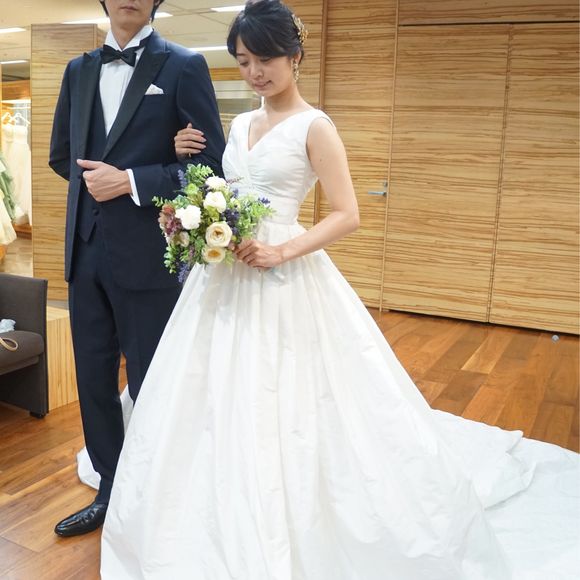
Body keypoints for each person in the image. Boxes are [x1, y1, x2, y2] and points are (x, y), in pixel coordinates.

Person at [100, 1, 538, 577]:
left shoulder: (315, 126)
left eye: (266, 59)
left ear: (295, 55)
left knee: (292, 396)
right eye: (244, 61)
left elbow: (347, 213)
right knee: (209, 392)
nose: (255, 72)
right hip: (225, 275)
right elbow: (228, 192)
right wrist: (189, 213)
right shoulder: (240, 124)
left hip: (284, 271)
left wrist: (282, 250)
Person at [49, 0, 225, 537]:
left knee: (152, 378)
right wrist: (97, 191)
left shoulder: (184, 65)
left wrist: (130, 181)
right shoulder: (77, 70)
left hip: (150, 252)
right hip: (84, 250)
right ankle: (111, 487)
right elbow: (62, 154)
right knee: (93, 378)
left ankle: (160, 493)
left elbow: (210, 166)